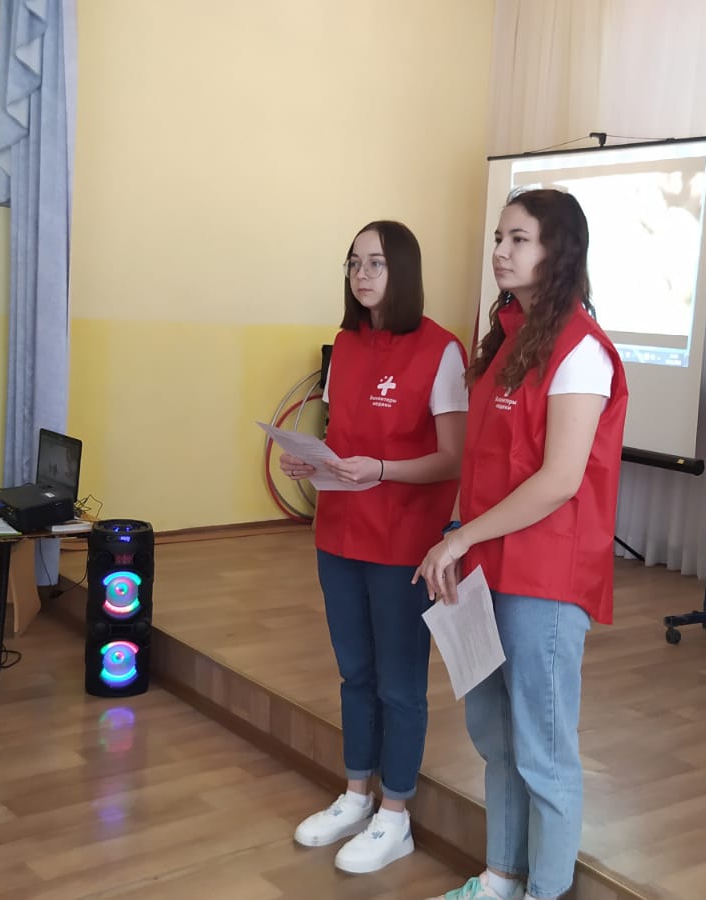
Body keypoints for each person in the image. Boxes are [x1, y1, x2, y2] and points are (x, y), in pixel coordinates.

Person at [415, 189, 628, 900]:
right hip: (484, 566)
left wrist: (459, 541)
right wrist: (457, 538)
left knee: (543, 749)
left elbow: (560, 480)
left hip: (545, 577)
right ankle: (501, 877)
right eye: (499, 238)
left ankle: (546, 889)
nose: (501, 252)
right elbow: (481, 463)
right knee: (495, 737)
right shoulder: (507, 338)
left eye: (519, 239)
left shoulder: (582, 350)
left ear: (557, 251)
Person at [278, 220, 467, 874]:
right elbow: (342, 441)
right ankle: (356, 794)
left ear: (403, 270)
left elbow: (453, 459)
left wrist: (381, 470)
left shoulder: (441, 350)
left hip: (403, 543)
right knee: (354, 672)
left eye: (377, 263)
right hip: (338, 534)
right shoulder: (346, 344)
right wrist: (313, 461)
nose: (362, 274)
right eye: (354, 262)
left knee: (399, 683)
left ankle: (396, 814)